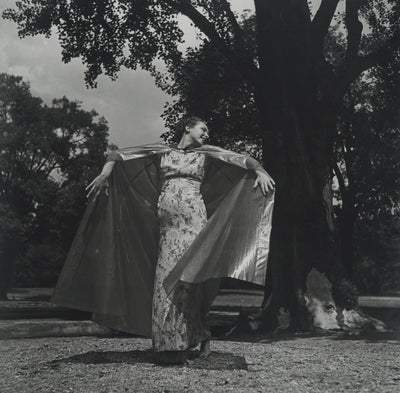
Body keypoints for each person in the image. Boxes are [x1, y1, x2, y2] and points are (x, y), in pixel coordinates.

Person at [52, 116, 275, 365]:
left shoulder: (206, 154)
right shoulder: (161, 151)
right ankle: (168, 342)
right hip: (167, 225)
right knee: (164, 278)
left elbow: (241, 159)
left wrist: (259, 170)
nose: (207, 134)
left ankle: (193, 338)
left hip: (193, 220)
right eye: (204, 128)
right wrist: (106, 173)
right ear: (187, 127)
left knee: (189, 279)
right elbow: (118, 154)